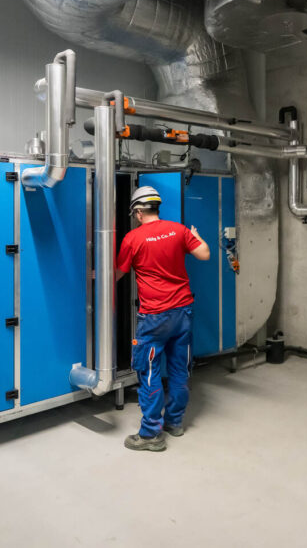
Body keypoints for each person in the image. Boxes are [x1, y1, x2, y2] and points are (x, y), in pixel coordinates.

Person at [115, 185, 210, 452]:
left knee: (148, 372)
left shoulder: (133, 238)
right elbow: (205, 254)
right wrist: (198, 238)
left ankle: (150, 434)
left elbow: (120, 272)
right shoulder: (179, 230)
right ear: (156, 207)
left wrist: (97, 279)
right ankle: (175, 422)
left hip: (154, 317)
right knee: (180, 370)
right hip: (182, 312)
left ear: (137, 211)